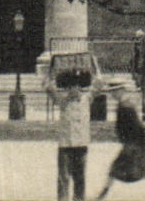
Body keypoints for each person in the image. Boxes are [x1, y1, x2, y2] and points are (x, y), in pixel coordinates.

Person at [95, 91, 145, 201]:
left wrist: (144, 135)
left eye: (114, 92)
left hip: (132, 143)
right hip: (134, 142)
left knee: (116, 168)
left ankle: (102, 195)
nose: (112, 95)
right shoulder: (125, 105)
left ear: (119, 91)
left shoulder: (125, 106)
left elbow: (136, 124)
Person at [48, 68, 91, 201]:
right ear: (68, 88)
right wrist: (50, 75)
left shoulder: (87, 100)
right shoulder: (62, 101)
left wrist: (93, 64)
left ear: (81, 87)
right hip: (66, 144)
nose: (74, 89)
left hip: (81, 144)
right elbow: (49, 88)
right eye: (71, 86)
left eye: (77, 86)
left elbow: (99, 83)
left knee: (80, 177)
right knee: (63, 177)